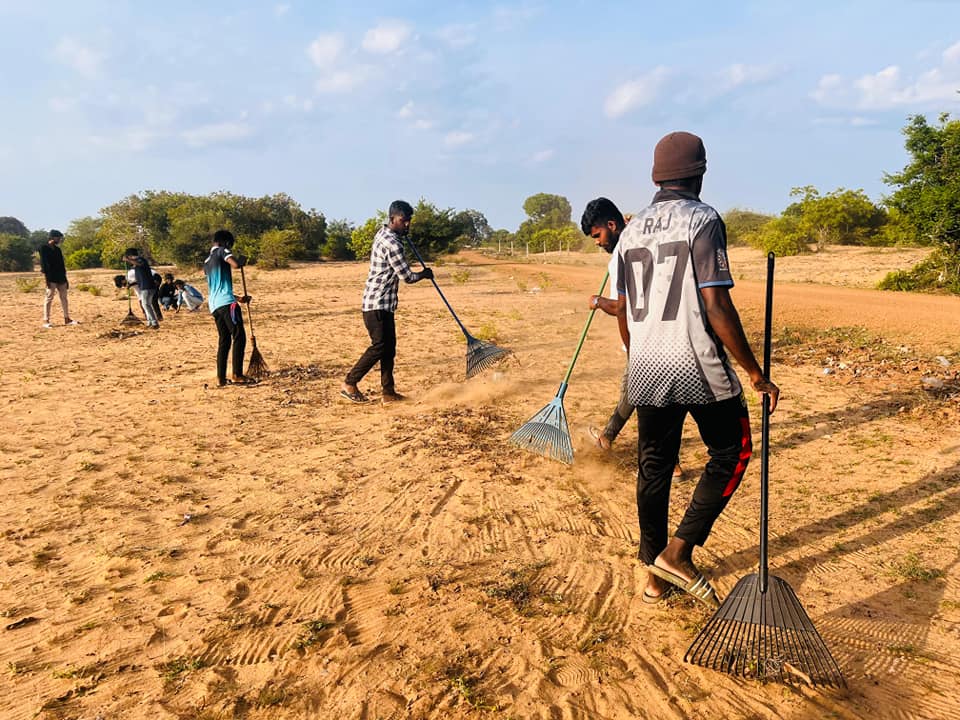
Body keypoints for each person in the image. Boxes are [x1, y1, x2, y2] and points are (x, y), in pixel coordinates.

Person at [614, 131, 779, 607]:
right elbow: (716, 304)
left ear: (656, 177)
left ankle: (654, 573)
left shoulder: (630, 230)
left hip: (645, 365)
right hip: (696, 363)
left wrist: (637, 355)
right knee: (733, 453)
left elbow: (623, 310)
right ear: (700, 172)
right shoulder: (702, 220)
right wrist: (754, 371)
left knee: (654, 468)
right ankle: (677, 553)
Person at [581, 198, 683, 478]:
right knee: (657, 399)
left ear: (612, 225)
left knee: (647, 399)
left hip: (644, 340)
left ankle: (661, 461)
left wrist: (598, 301)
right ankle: (610, 437)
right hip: (670, 333)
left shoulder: (620, 258)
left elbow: (620, 308)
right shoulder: (646, 240)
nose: (598, 243)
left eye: (598, 236)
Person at [340, 200, 433, 404]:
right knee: (380, 346)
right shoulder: (392, 243)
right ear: (392, 219)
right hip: (378, 304)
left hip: (383, 304)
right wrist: (424, 274)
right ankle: (349, 382)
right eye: (403, 221)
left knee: (389, 348)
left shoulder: (384, 233)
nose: (407, 224)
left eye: (409, 221)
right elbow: (407, 277)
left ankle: (388, 393)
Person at [203, 229, 254, 386]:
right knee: (239, 336)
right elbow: (235, 264)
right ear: (225, 242)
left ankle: (221, 378)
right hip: (227, 304)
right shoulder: (221, 251)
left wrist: (238, 298)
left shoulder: (206, 261)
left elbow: (217, 286)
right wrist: (242, 260)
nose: (230, 249)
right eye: (230, 246)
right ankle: (237, 374)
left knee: (224, 340)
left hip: (215, 305)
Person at [39, 229, 78, 328]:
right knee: (49, 297)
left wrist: (65, 279)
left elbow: (62, 264)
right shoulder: (43, 248)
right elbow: (44, 264)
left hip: (60, 276)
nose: (59, 239)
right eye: (58, 237)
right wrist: (47, 279)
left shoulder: (58, 250)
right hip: (51, 276)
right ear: (52, 237)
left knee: (64, 298)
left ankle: (67, 318)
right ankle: (46, 320)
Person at [123, 248, 160, 329]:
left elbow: (138, 263)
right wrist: (130, 284)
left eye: (129, 256)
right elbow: (139, 277)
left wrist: (128, 260)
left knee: (146, 305)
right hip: (146, 287)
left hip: (147, 287)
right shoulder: (137, 263)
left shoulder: (140, 260)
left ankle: (154, 323)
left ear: (130, 255)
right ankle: (150, 322)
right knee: (146, 304)